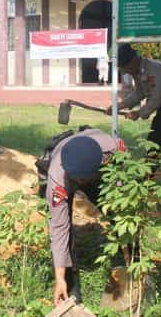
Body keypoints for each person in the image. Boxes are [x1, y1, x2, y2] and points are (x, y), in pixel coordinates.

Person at [44, 128, 127, 306]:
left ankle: (130, 261)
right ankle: (70, 292)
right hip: (66, 177)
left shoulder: (113, 149)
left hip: (100, 173)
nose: (81, 184)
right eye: (79, 180)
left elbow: (127, 184)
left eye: (83, 180)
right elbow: (59, 229)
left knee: (118, 213)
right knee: (65, 232)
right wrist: (59, 278)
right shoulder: (57, 180)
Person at [105, 44, 161, 188]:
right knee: (154, 140)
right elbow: (139, 93)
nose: (123, 70)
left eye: (124, 66)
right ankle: (148, 177)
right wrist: (118, 106)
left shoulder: (155, 69)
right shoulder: (137, 71)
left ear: (133, 60)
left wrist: (139, 113)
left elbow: (156, 99)